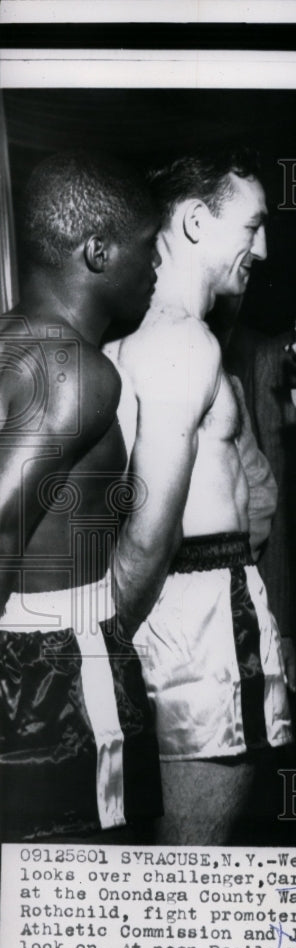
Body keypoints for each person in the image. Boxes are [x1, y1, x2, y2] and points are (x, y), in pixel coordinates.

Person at [106, 149, 292, 845]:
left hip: (186, 621)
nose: (262, 248)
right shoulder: (184, 343)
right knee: (191, 865)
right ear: (192, 223)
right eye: (251, 226)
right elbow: (151, 536)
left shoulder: (135, 341)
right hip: (202, 632)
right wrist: (94, 649)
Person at [0, 151, 163, 841]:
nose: (157, 270)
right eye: (148, 251)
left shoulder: (14, 341)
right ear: (98, 251)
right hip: (51, 679)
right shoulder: (74, 368)